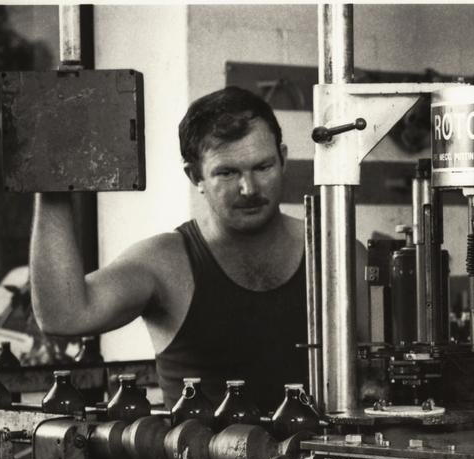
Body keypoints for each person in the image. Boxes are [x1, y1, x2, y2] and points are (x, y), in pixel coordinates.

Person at [30, 87, 307, 410]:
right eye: (227, 172)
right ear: (195, 176)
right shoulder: (165, 263)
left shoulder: (334, 256)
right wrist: (51, 181)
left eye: (263, 167)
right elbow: (64, 316)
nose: (249, 188)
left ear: (283, 159)